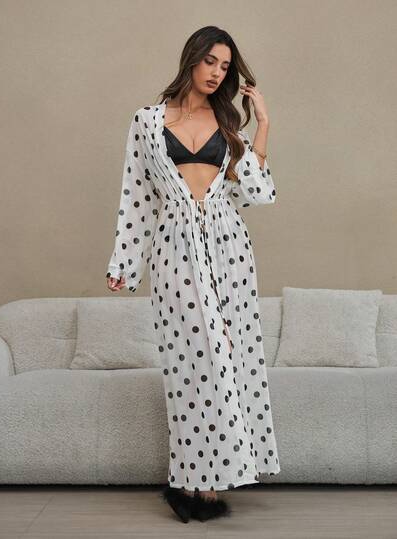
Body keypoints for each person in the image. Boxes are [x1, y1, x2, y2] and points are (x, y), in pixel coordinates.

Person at [106, 25, 280, 522]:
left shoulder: (227, 123)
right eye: (211, 62)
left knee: (230, 356)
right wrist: (125, 263)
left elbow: (257, 193)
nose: (217, 73)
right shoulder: (147, 121)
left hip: (229, 247)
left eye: (225, 67)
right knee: (191, 365)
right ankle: (192, 479)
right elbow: (137, 196)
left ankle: (203, 485)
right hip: (175, 250)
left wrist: (262, 126)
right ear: (192, 58)